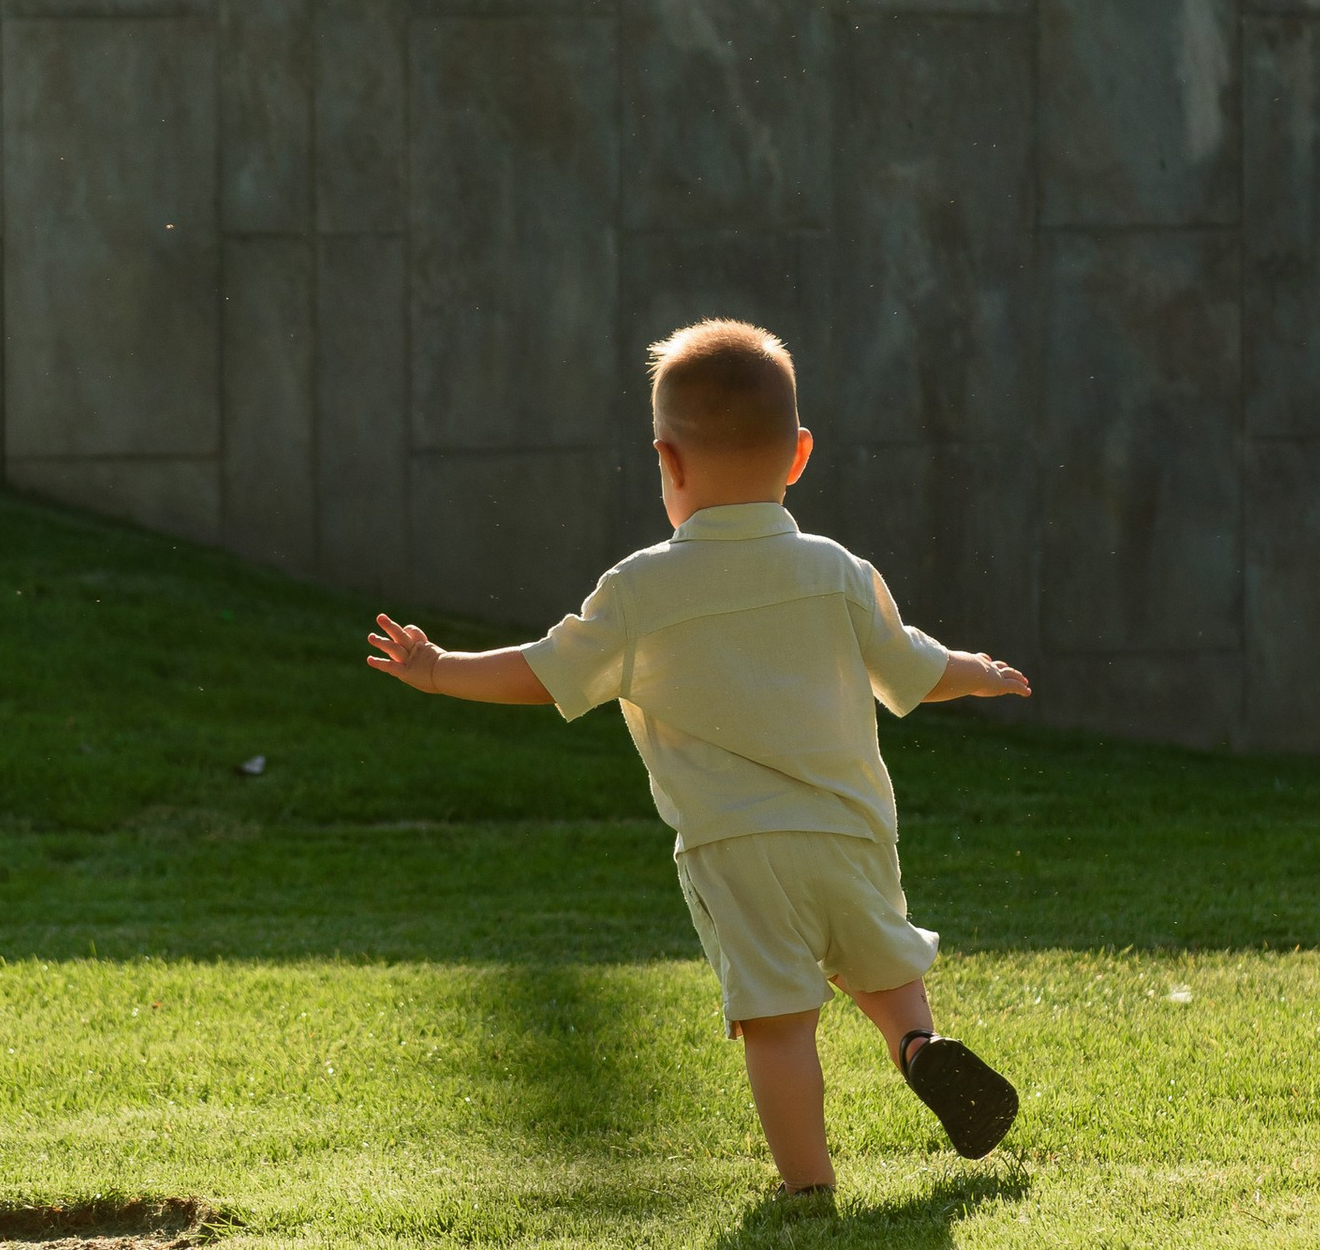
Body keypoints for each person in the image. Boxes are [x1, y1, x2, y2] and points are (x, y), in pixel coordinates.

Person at [367, 315, 1032, 1204]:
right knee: (881, 962)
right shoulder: (837, 569)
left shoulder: (642, 587)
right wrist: (978, 671)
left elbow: (545, 672)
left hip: (737, 847)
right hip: (850, 828)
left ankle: (808, 1185)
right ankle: (918, 1045)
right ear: (797, 455)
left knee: (780, 1021)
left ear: (668, 462)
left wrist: (442, 670)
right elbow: (912, 664)